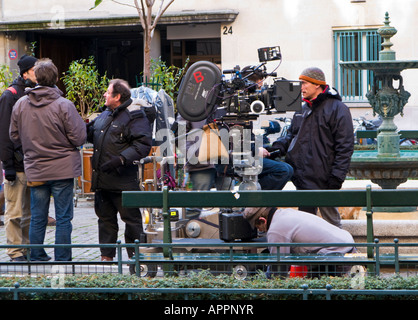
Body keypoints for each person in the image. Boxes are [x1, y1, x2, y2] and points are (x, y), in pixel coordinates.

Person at [9, 58, 86, 261]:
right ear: (56, 78)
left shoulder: (21, 105)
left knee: (37, 216)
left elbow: (14, 136)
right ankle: (62, 257)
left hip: (35, 168)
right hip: (63, 168)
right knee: (63, 218)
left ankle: (36, 255)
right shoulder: (64, 105)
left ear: (36, 78)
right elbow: (79, 137)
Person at [268, 67, 354, 227]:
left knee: (332, 223)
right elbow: (292, 136)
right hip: (302, 178)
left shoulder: (338, 109)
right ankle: (307, 252)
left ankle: (343, 249)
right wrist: (276, 148)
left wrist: (336, 177)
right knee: (304, 226)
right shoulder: (302, 109)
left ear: (317, 84)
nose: (300, 87)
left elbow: (345, 146)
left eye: (304, 83)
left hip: (326, 180)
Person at [87, 79, 152, 261]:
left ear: (117, 97)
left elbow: (143, 144)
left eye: (108, 92)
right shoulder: (105, 114)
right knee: (105, 220)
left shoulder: (135, 115)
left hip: (123, 181)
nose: (104, 95)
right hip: (102, 180)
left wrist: (121, 159)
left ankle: (137, 258)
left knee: (131, 221)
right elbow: (92, 134)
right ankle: (106, 256)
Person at [243, 206, 356, 276]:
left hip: (336, 256)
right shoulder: (284, 213)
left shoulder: (276, 230)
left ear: (262, 220)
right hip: (347, 245)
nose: (260, 231)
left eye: (258, 227)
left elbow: (279, 269)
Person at [0, 54, 37, 262]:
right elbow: (4, 133)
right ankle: (15, 252)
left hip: (32, 164)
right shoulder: (10, 95)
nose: (38, 73)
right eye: (35, 70)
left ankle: (27, 248)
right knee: (14, 211)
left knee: (29, 212)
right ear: (25, 73)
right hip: (16, 164)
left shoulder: (34, 93)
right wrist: (8, 164)